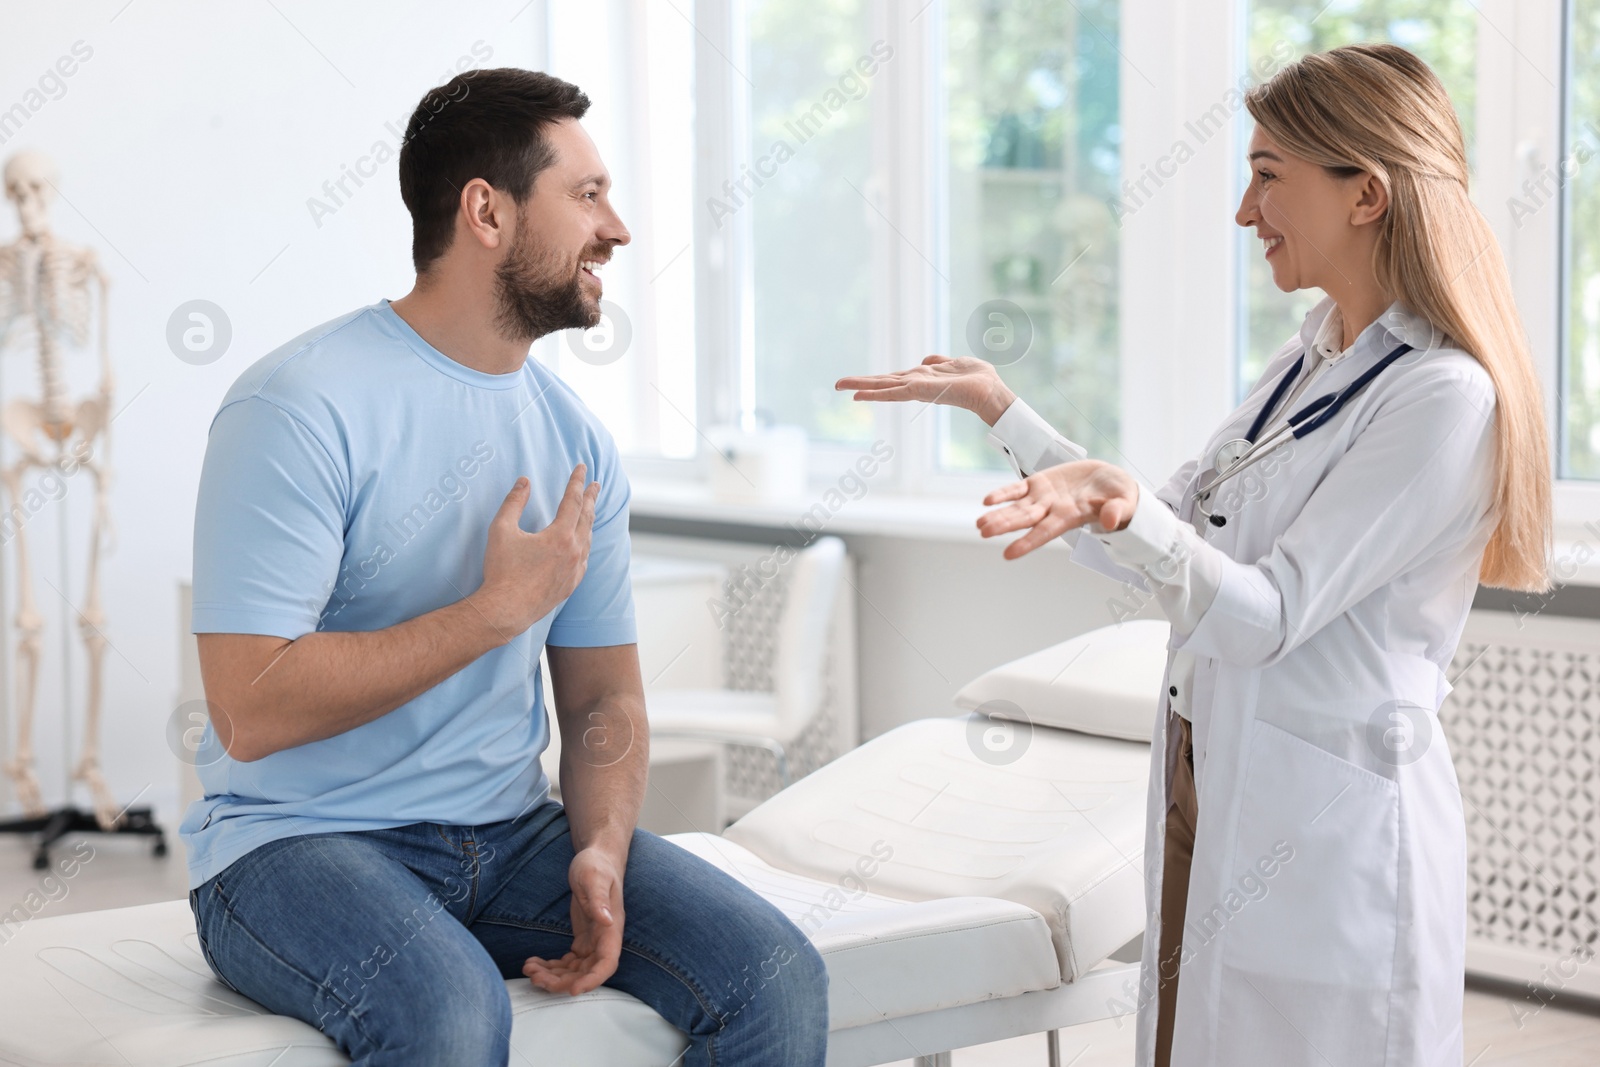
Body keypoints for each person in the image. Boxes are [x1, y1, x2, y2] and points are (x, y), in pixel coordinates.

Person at [838, 43, 1551, 1067]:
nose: (1242, 210)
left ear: (1366, 195)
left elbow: (1263, 613)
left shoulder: (1441, 398)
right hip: (1204, 768)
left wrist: (1127, 512)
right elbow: (1160, 536)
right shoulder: (1305, 361)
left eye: (1268, 175)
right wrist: (1009, 415)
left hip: (1321, 813)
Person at [183, 68, 828, 1066]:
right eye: (586, 194)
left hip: (512, 837)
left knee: (774, 972)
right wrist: (492, 612)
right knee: (448, 1010)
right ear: (485, 211)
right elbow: (249, 706)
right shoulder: (296, 406)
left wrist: (602, 846)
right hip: (293, 846)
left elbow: (604, 700)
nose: (615, 228)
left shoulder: (575, 439)